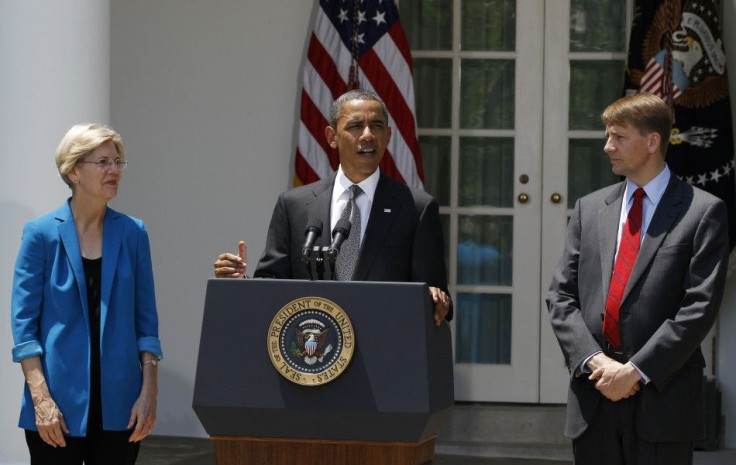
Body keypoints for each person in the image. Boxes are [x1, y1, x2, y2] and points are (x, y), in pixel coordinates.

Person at [546, 93, 729, 465]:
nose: (607, 146)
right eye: (607, 135)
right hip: (593, 398)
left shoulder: (703, 212)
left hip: (664, 401)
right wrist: (596, 362)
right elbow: (561, 297)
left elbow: (699, 306)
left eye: (618, 136)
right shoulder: (589, 209)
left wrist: (635, 371)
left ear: (652, 142)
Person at [214, 89, 452, 324]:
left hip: (383, 349)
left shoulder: (416, 208)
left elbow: (436, 295)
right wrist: (240, 279)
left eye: (377, 126)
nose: (368, 135)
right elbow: (271, 284)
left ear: (388, 135)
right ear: (331, 136)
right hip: (313, 350)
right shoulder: (294, 205)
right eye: (356, 126)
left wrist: (438, 299)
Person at [11, 124, 163, 465]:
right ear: (73, 171)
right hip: (56, 404)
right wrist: (40, 399)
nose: (114, 170)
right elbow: (24, 327)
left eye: (118, 161)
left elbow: (146, 323)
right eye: (103, 162)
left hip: (122, 404)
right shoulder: (40, 234)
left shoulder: (133, 232)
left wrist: (149, 391)